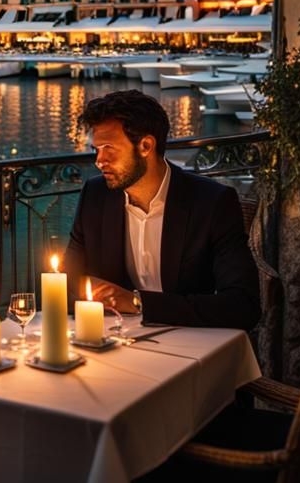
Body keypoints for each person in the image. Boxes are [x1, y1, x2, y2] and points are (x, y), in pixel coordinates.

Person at [63, 89, 260, 330]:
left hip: (190, 345)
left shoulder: (211, 203)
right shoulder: (95, 197)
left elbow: (243, 306)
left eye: (109, 148)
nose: (99, 160)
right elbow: (66, 283)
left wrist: (137, 302)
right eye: (97, 149)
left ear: (146, 145)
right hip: (113, 341)